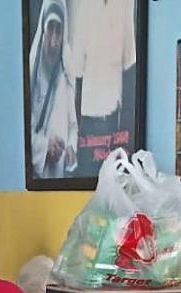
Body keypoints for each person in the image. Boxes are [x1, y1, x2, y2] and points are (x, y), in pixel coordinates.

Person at [66, 0, 137, 173]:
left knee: (116, 179)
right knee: (89, 175)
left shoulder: (125, 4)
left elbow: (130, 61)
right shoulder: (86, 6)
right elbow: (77, 69)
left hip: (116, 118)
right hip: (89, 115)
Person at [28, 0, 78, 179]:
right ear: (43, 30)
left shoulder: (66, 74)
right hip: (36, 174)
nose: (54, 40)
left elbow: (73, 124)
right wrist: (44, 146)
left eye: (59, 30)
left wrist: (71, 145)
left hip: (60, 174)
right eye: (51, 29)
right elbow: (22, 134)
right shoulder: (31, 72)